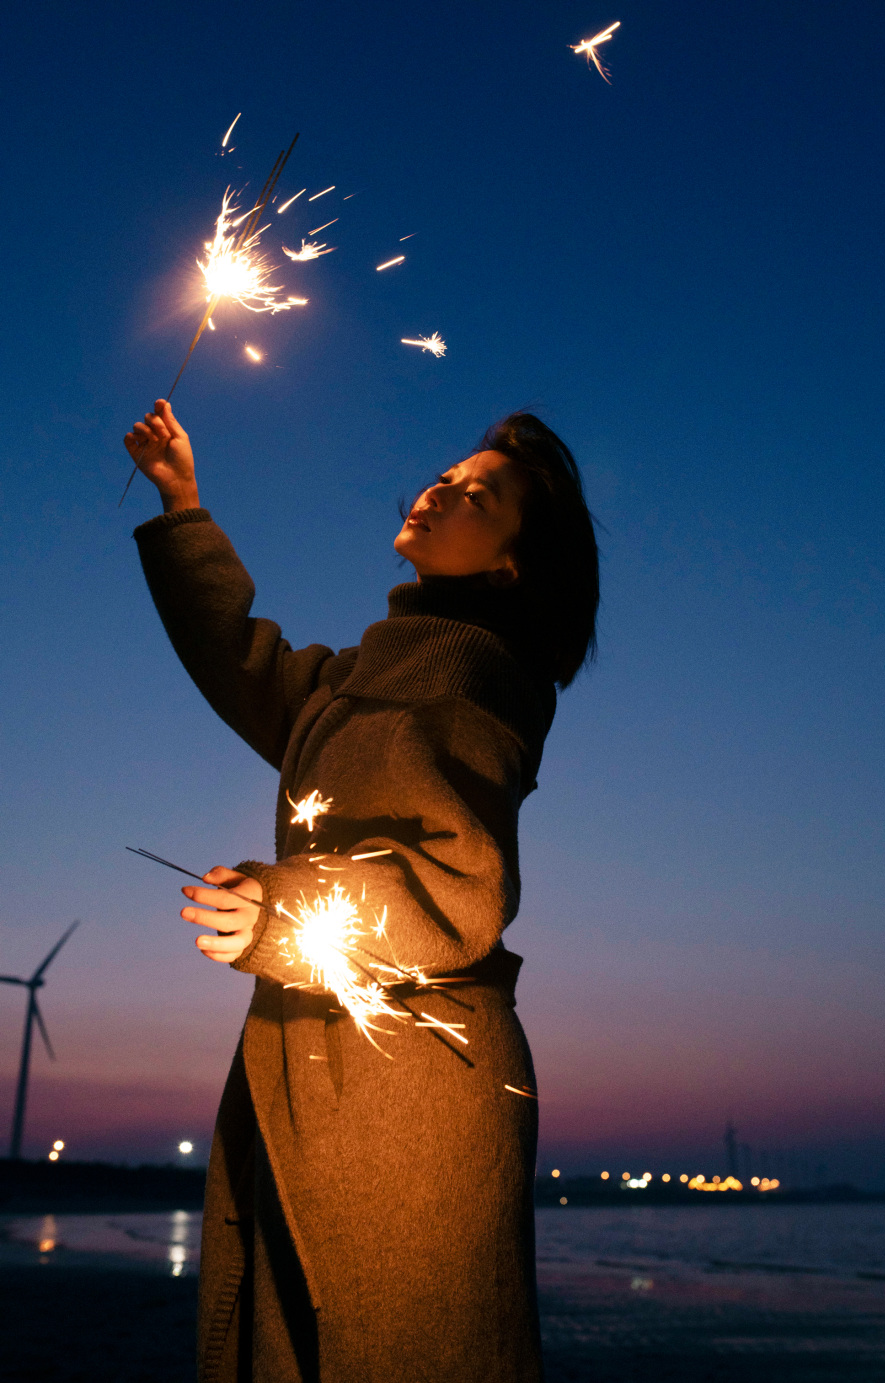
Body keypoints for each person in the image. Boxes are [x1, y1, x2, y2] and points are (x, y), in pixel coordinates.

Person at [124, 398, 600, 1383]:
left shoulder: (481, 682)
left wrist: (285, 913)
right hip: (332, 1071)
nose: (439, 489)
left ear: (509, 564)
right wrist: (182, 505)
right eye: (446, 474)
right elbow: (241, 660)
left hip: (410, 1097)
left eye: (478, 496)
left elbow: (460, 888)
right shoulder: (369, 679)